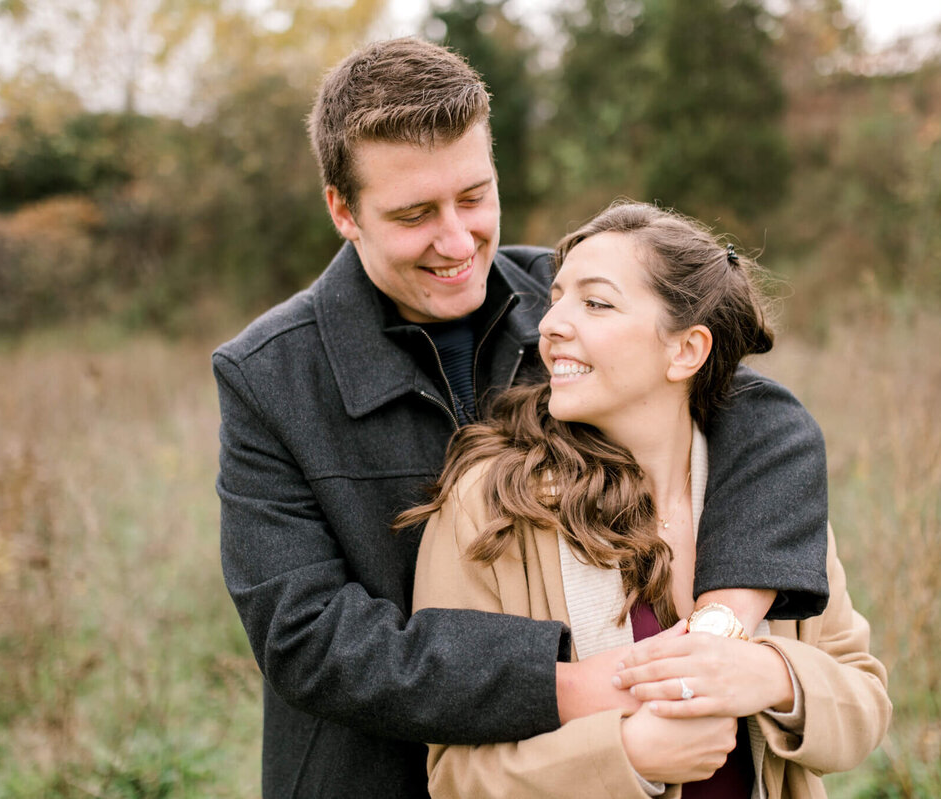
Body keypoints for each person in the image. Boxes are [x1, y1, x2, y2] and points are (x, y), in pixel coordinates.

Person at [213, 38, 831, 798]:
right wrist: (570, 683)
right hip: (369, 775)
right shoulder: (268, 375)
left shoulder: (568, 300)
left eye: (474, 197)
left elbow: (758, 412)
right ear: (343, 210)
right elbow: (306, 638)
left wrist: (726, 620)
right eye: (413, 214)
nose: (456, 241)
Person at [407, 201, 892, 798]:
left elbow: (864, 701)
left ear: (686, 350)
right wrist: (626, 757)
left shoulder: (764, 495)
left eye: (596, 303)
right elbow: (455, 776)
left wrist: (770, 676)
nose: (551, 323)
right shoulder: (490, 504)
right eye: (556, 298)